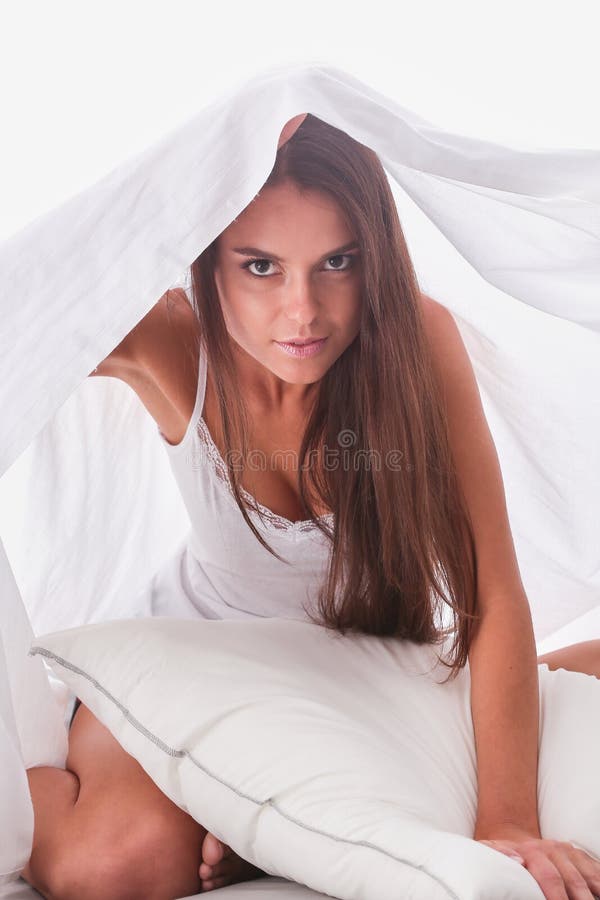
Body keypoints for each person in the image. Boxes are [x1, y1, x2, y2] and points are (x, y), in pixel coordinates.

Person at [22, 113, 600, 900]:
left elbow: (492, 595)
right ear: (207, 260)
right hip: (196, 661)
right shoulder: (168, 340)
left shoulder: (417, 345)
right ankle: (42, 766)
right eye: (260, 266)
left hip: (359, 668)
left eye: (337, 262)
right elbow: (26, 295)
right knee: (110, 868)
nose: (304, 313)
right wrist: (208, 153)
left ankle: (268, 822)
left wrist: (507, 825)